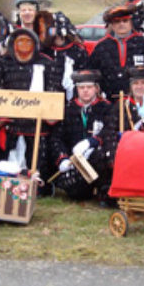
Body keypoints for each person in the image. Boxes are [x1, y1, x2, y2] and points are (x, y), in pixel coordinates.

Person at [0, 28, 62, 189]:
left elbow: (54, 92)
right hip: (12, 124)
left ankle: (38, 186)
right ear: (13, 45)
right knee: (10, 163)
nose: (24, 45)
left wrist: (49, 115)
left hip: (37, 124)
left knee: (38, 165)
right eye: (20, 41)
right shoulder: (3, 63)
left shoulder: (47, 63)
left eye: (28, 41)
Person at [48, 69, 113, 203]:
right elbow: (57, 138)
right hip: (74, 161)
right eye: (81, 87)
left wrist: (92, 142)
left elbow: (110, 130)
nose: (85, 91)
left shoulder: (106, 108)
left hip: (98, 157)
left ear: (96, 88)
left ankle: (103, 190)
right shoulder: (68, 109)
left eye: (89, 87)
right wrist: (62, 159)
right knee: (76, 192)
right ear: (76, 89)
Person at [88, 2, 144, 101]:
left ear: (131, 22)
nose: (121, 24)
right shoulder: (102, 47)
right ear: (112, 25)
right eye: (117, 21)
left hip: (141, 99)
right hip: (112, 100)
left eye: (125, 20)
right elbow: (93, 73)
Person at [40, 11, 89, 101]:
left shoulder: (77, 51)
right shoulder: (44, 50)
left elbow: (84, 75)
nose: (57, 39)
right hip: (48, 98)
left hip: (72, 99)